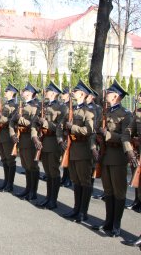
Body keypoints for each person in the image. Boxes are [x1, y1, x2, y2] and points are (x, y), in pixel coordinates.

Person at [93, 80, 136, 237]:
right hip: (105, 155)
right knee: (108, 191)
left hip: (118, 156)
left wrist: (108, 134)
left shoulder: (126, 114)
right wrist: (98, 133)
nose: (106, 95)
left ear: (116, 96)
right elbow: (97, 130)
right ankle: (108, 222)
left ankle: (116, 225)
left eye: (109, 93)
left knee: (119, 192)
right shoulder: (106, 112)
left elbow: (126, 136)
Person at [58, 80, 94, 223]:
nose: (73, 93)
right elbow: (60, 127)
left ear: (83, 94)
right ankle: (75, 208)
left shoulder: (88, 111)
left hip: (83, 150)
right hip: (71, 150)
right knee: (76, 181)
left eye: (76, 91)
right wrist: (60, 140)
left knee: (85, 181)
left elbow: (88, 130)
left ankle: (83, 212)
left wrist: (72, 128)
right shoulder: (69, 110)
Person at [32, 81, 65, 209]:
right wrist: (34, 137)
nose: (45, 92)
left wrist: (45, 123)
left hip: (53, 142)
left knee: (53, 171)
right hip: (42, 141)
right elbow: (34, 123)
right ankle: (47, 197)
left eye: (48, 90)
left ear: (54, 93)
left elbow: (60, 127)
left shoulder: (61, 108)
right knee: (47, 172)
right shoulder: (43, 105)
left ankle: (53, 200)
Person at [10, 82, 40, 202]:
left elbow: (34, 124)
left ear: (31, 93)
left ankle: (33, 191)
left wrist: (20, 119)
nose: (23, 92)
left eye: (26, 90)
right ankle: (27, 189)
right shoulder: (21, 106)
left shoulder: (35, 107)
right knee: (26, 166)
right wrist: (12, 134)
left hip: (29, 139)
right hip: (20, 139)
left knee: (32, 166)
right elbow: (12, 122)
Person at [0, 83, 18, 192]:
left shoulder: (15, 106)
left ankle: (10, 184)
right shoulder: (5, 104)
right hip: (1, 135)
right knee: (4, 159)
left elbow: (13, 121)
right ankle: (6, 181)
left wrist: (2, 118)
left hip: (8, 135)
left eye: (7, 91)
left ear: (12, 93)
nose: (5, 92)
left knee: (10, 160)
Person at [123, 91, 141, 213]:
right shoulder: (138, 113)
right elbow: (128, 131)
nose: (139, 97)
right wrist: (129, 148)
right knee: (137, 180)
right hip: (138, 153)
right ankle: (137, 201)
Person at [59, 87, 72, 188]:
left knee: (69, 157)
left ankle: (69, 179)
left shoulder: (70, 107)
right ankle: (64, 177)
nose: (62, 95)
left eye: (64, 93)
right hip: (64, 135)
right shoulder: (63, 106)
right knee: (64, 156)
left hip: (70, 136)